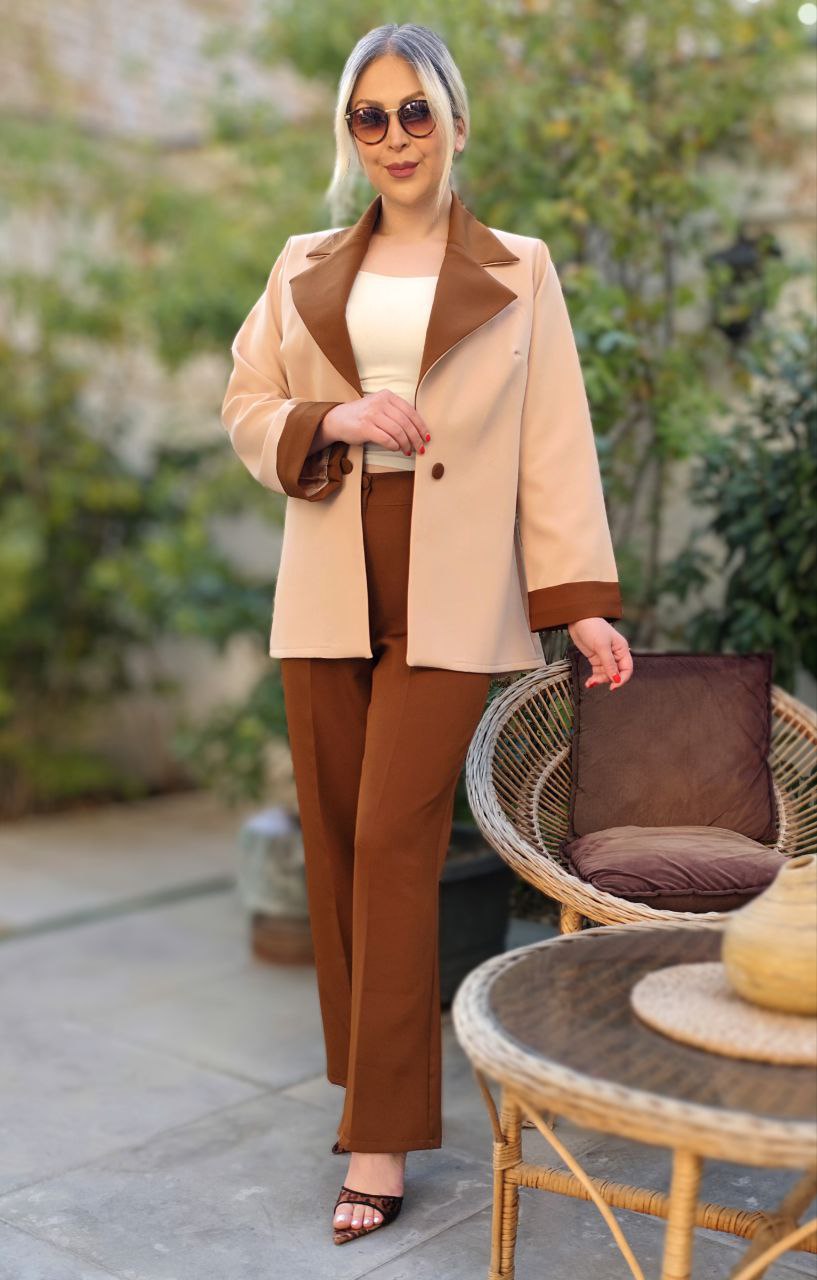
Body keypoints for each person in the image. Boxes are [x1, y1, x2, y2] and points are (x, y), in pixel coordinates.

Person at [221, 21, 634, 1247]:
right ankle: (371, 1087)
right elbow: (245, 401)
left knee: (397, 838)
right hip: (327, 573)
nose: (394, 135)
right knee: (340, 843)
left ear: (455, 121)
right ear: (349, 135)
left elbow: (553, 441)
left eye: (414, 111)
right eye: (370, 116)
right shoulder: (301, 263)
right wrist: (334, 418)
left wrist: (577, 599)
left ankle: (380, 1141)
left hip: (451, 586)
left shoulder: (520, 268)